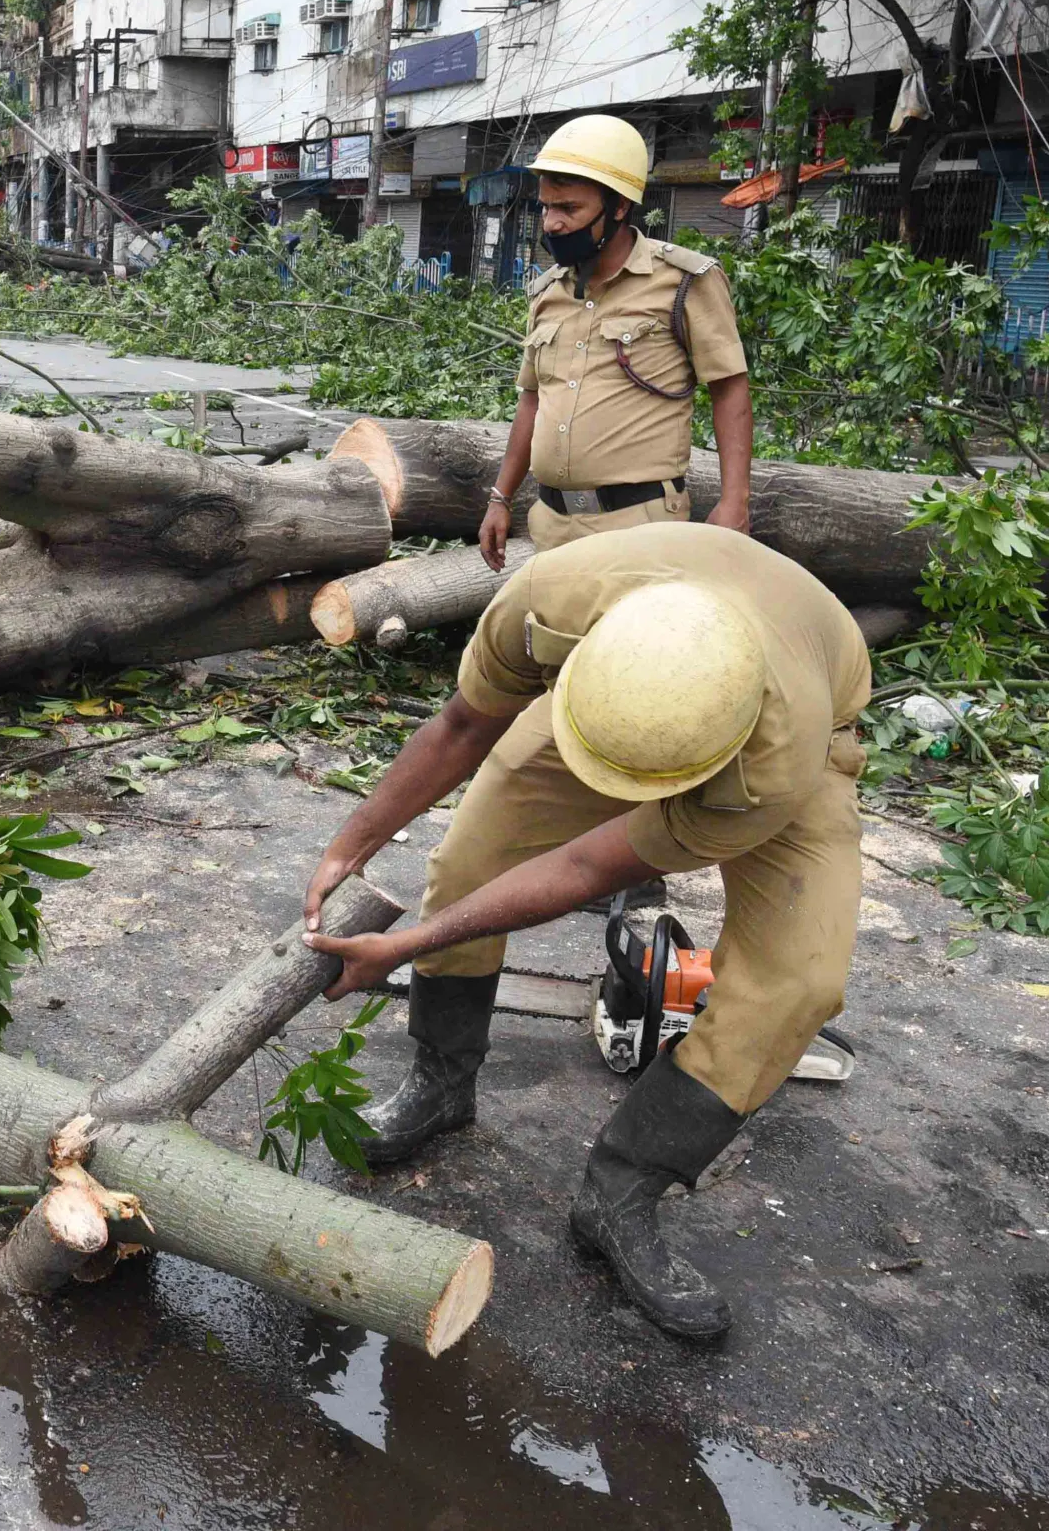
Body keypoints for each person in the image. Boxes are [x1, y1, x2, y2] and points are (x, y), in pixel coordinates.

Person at [300, 522, 869, 1339]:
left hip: (794, 737)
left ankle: (622, 1191)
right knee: (470, 861)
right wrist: (346, 848)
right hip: (625, 694)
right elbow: (464, 725)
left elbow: (579, 873)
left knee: (796, 985)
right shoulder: (548, 602)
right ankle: (440, 1081)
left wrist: (399, 947)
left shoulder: (766, 766)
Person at [476, 116, 754, 574]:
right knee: (552, 644)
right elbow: (533, 401)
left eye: (568, 208)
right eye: (546, 208)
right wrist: (500, 497)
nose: (553, 224)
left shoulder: (683, 283)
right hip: (549, 523)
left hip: (639, 527)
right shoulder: (548, 293)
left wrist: (734, 502)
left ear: (620, 207)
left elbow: (730, 389)